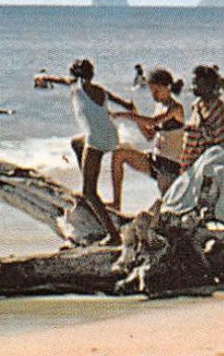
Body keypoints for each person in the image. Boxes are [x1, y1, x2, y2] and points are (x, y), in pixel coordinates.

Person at [34, 59, 135, 243]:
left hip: (96, 139)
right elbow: (121, 101)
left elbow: (63, 80)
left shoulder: (77, 84)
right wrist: (129, 106)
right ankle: (88, 185)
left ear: (76, 75)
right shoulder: (100, 91)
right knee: (76, 143)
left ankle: (113, 235)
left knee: (89, 192)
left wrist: (43, 77)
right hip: (111, 135)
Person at [109, 68, 186, 210]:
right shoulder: (159, 106)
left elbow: (151, 122)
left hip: (170, 166)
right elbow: (149, 136)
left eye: (157, 90)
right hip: (155, 161)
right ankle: (116, 203)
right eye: (151, 90)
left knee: (168, 207)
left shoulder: (175, 108)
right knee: (119, 154)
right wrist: (135, 114)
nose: (154, 94)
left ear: (167, 87)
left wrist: (123, 114)